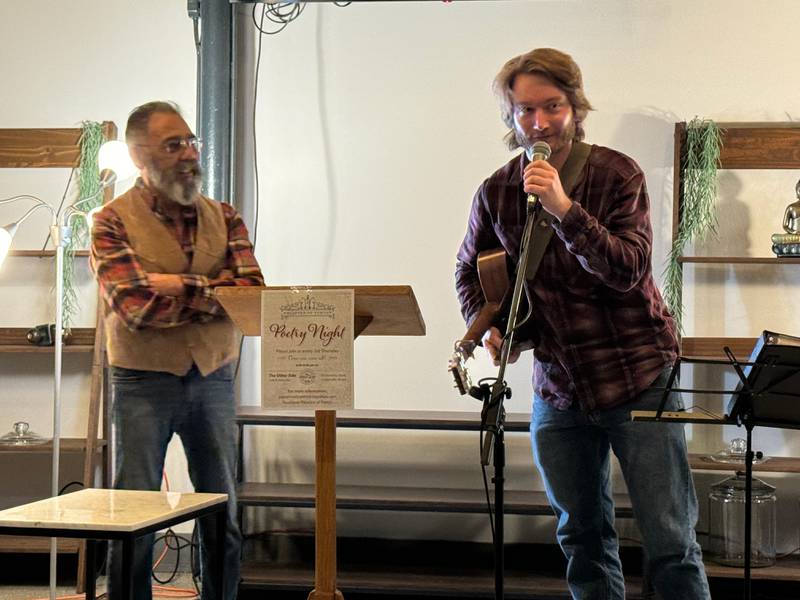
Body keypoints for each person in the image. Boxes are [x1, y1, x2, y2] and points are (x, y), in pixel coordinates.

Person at [455, 49, 710, 599]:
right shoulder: (496, 189)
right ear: (510, 116)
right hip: (559, 386)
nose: (540, 122)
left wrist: (564, 208)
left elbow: (628, 269)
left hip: (638, 376)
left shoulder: (617, 173)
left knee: (670, 537)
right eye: (526, 110)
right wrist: (493, 326)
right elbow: (467, 270)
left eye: (552, 106)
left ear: (575, 106)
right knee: (580, 536)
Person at [91, 100, 264, 600]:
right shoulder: (109, 221)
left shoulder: (225, 216)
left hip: (212, 377)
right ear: (139, 156)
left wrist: (175, 284)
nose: (189, 153)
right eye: (174, 145)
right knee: (134, 515)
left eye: (192, 142)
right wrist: (213, 292)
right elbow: (136, 308)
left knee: (223, 514)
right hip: (142, 381)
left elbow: (251, 295)